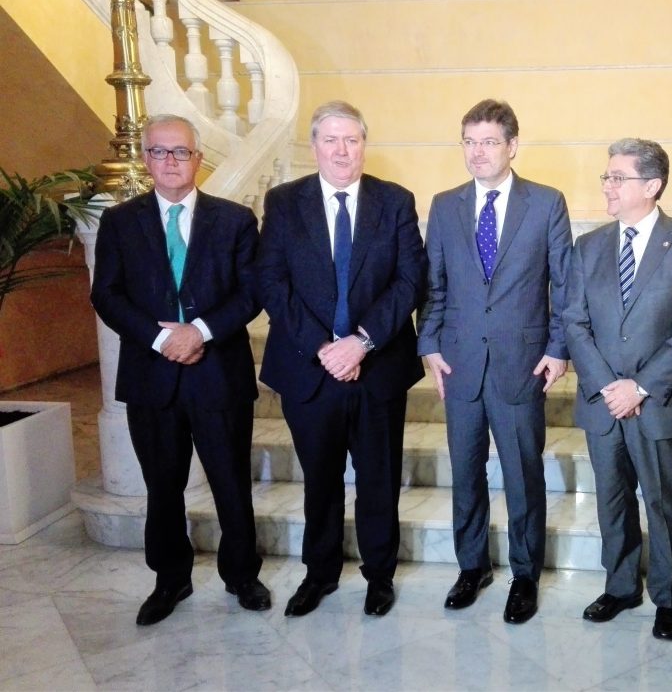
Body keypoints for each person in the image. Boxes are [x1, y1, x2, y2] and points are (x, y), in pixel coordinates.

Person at [91, 114, 268, 625]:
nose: (171, 161)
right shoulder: (119, 222)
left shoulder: (235, 220)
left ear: (198, 159)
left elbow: (251, 293)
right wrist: (162, 337)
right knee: (162, 487)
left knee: (231, 483)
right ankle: (171, 579)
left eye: (181, 152)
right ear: (146, 159)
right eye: (160, 152)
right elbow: (107, 295)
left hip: (219, 376)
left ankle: (242, 575)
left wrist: (200, 332)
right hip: (152, 377)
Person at [257, 101, 427, 618]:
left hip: (377, 369)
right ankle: (320, 574)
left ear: (364, 145)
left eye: (351, 140)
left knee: (379, 479)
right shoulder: (284, 202)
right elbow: (272, 281)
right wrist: (324, 347)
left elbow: (410, 281)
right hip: (309, 370)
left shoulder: (394, 201)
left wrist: (362, 342)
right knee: (320, 480)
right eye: (330, 140)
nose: (341, 150)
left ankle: (380, 576)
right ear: (314, 146)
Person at [417, 99, 572, 624]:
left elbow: (564, 285)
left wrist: (558, 348)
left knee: (523, 474)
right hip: (459, 363)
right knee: (465, 471)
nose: (477, 152)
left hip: (521, 363)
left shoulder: (546, 203)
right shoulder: (445, 205)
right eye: (469, 141)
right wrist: (429, 344)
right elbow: (434, 285)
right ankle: (472, 566)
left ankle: (525, 575)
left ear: (512, 146)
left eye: (488, 142)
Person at [564, 138, 672, 641]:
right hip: (603, 401)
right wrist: (609, 385)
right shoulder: (588, 246)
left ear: (651, 186)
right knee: (612, 500)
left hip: (659, 402)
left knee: (663, 502)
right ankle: (621, 586)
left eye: (617, 177)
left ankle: (669, 598)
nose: (607, 186)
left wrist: (640, 387)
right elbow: (574, 322)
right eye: (606, 177)